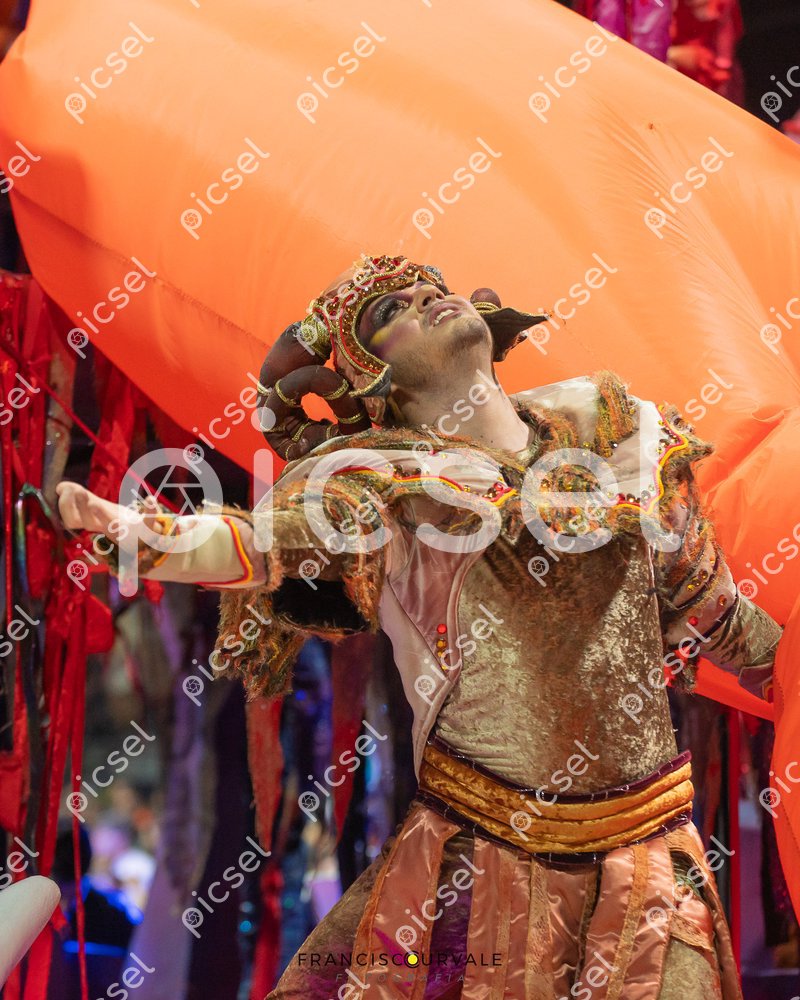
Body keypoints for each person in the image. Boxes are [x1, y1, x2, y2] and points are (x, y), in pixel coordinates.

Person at [56, 254, 783, 998]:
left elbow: (713, 607)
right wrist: (145, 536)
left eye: (431, 288)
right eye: (390, 310)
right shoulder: (382, 483)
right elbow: (267, 544)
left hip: (652, 864)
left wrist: (784, 671)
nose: (426, 299)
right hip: (478, 866)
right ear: (372, 380)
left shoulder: (615, 428)